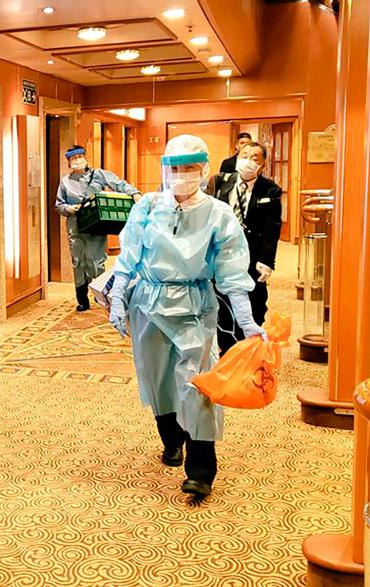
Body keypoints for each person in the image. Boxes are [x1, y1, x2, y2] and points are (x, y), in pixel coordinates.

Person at [107, 135, 265, 498]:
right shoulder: (146, 207)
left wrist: (247, 322)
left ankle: (201, 468)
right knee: (157, 379)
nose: (181, 175)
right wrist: (118, 297)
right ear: (164, 169)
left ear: (204, 170)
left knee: (197, 384)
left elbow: (232, 274)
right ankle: (171, 438)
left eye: (189, 168)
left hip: (194, 306)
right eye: (174, 168)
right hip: (147, 304)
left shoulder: (218, 214)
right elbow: (128, 257)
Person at [207, 142, 283, 355]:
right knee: (221, 301)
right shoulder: (221, 182)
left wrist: (267, 261)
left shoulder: (270, 190)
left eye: (255, 158)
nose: (248, 161)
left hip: (252, 255)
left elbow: (272, 229)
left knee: (254, 302)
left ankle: (249, 346)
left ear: (263, 164)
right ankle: (227, 349)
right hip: (222, 253)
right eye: (245, 155)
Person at [55, 145, 141, 311]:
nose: (77, 160)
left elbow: (119, 184)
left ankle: (100, 294)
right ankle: (82, 299)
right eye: (73, 158)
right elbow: (59, 204)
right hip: (76, 226)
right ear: (68, 162)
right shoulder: (65, 182)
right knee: (78, 263)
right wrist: (68, 209)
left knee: (96, 261)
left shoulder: (98, 174)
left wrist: (135, 194)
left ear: (85, 157)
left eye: (80, 156)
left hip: (95, 224)